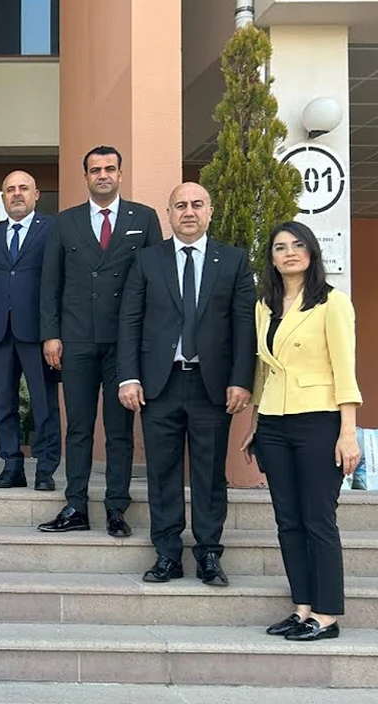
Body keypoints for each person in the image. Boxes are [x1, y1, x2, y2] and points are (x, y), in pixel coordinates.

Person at [116, 182, 256, 586]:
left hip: (212, 387)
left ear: (210, 211)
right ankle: (167, 554)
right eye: (180, 205)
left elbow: (244, 325)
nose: (189, 212)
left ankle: (209, 553)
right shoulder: (147, 259)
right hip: (159, 385)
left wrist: (241, 380)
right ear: (169, 213)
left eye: (197, 204)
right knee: (162, 472)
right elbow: (130, 320)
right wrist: (129, 376)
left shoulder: (233, 261)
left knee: (210, 474)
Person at [243, 220, 362, 641]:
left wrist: (348, 433)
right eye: (280, 247)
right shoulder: (265, 306)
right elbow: (263, 370)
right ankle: (302, 608)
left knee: (318, 519)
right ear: (271, 258)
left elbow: (345, 370)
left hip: (319, 420)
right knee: (288, 520)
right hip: (274, 423)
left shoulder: (332, 303)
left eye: (297, 245)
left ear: (311, 252)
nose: (289, 252)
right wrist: (255, 423)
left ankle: (326, 616)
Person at [38, 146, 162, 537]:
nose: (103, 174)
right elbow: (50, 283)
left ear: (120, 174)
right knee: (78, 427)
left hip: (124, 344)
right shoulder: (66, 221)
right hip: (76, 340)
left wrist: (148, 342)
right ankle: (76, 504)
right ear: (86, 177)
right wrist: (50, 334)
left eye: (110, 168)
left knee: (119, 430)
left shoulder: (144, 218)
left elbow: (156, 282)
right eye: (95, 169)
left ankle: (115, 507)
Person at [0, 170, 61, 490]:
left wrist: (54, 332)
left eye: (24, 188)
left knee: (43, 403)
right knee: (3, 402)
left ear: (36, 195)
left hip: (38, 332)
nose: (17, 194)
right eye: (10, 189)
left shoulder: (52, 229)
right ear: (3, 197)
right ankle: (11, 466)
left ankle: (45, 469)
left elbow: (58, 282)